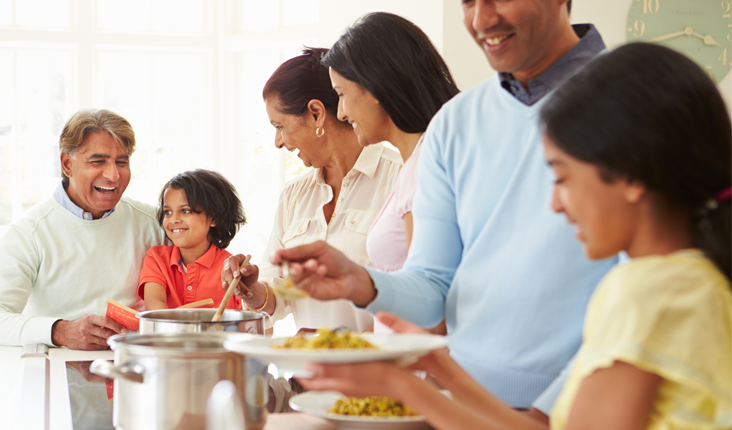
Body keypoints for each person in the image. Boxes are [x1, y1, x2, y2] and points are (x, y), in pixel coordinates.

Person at [298, 43, 732, 430]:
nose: (556, 205)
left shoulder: (648, 291)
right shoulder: (688, 281)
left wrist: (402, 385)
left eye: (561, 178)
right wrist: (439, 369)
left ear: (631, 175)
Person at [273, 0, 617, 413]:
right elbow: (433, 287)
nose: (481, 18)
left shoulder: (636, 99)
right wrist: (360, 281)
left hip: (587, 407)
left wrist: (548, 410)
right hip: (465, 406)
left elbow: (655, 282)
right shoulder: (456, 122)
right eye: (469, 1)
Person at [220, 47, 402, 333]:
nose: (277, 142)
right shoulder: (295, 195)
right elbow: (281, 293)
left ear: (316, 113)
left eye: (280, 126)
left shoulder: (399, 177)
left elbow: (416, 297)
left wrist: (339, 348)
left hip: (380, 371)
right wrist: (252, 290)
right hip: (309, 373)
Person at [0, 109, 163, 350]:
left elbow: (208, 264)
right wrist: (59, 331)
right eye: (98, 161)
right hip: (58, 371)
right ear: (67, 164)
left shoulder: (154, 223)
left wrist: (225, 268)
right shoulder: (29, 233)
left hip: (138, 367)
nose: (113, 175)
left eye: (121, 162)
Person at [322, 12, 459, 274]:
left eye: (341, 94)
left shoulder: (424, 168)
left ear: (374, 86)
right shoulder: (418, 162)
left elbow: (429, 298)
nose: (340, 113)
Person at [139, 169, 246, 311]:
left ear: (213, 218)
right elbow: (155, 310)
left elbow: (257, 322)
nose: (174, 220)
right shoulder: (156, 259)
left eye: (185, 211)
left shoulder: (232, 269)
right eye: (168, 212)